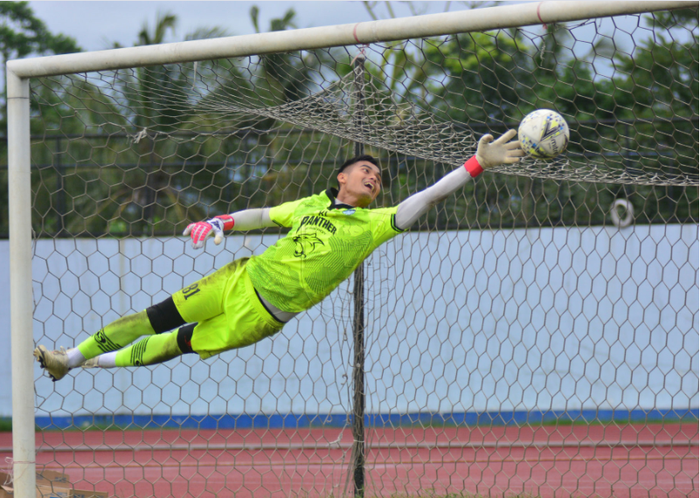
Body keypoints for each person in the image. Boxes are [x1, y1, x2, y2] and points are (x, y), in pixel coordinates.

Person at [34, 130, 524, 382]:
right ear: (342, 177)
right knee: (154, 316)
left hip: (262, 314)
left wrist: (477, 163)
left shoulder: (376, 224)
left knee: (177, 343)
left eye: (378, 176)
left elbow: (431, 195)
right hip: (236, 277)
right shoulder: (310, 205)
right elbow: (262, 213)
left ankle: (87, 363)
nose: (374, 177)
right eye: (366, 169)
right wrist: (219, 221)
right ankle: (70, 357)